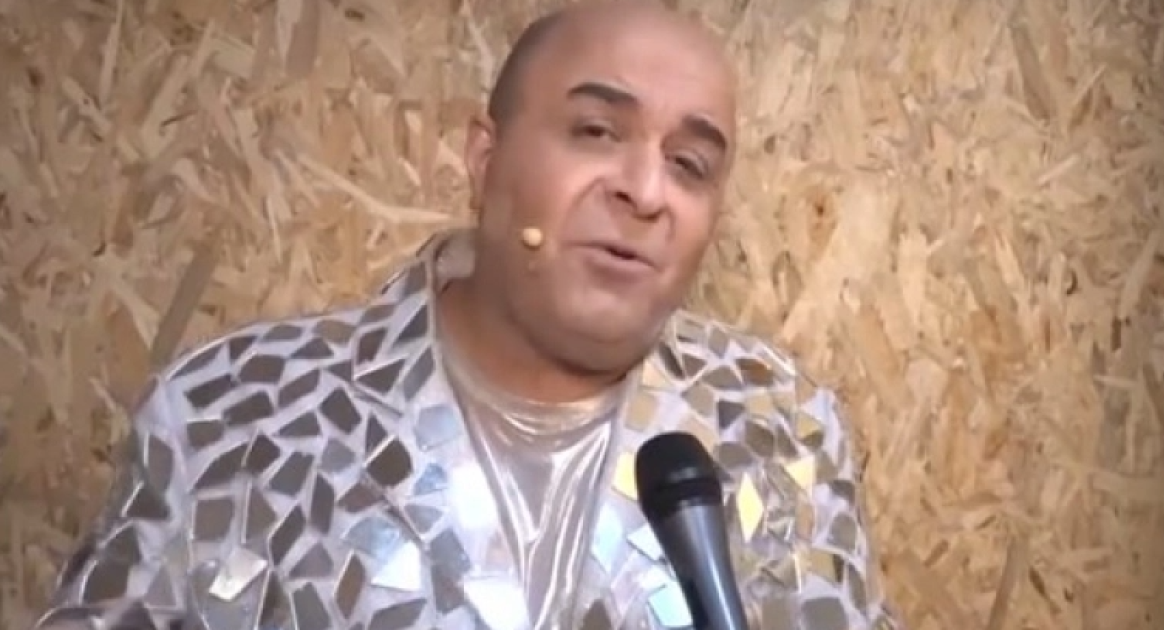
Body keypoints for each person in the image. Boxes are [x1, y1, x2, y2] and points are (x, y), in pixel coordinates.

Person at [33, 2, 902, 629]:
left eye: (690, 165)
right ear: (485, 160)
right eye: (596, 132)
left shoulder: (781, 432)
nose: (646, 192)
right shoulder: (233, 416)